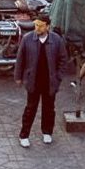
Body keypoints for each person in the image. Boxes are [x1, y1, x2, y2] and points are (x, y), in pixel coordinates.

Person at [16, 12, 66, 147]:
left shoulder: (56, 40)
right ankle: (24, 135)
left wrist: (58, 77)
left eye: (40, 26)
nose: (37, 28)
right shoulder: (27, 39)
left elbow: (62, 59)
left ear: (47, 27)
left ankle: (47, 132)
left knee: (49, 108)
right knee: (30, 108)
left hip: (50, 81)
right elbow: (20, 59)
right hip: (33, 80)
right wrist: (19, 77)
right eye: (36, 25)